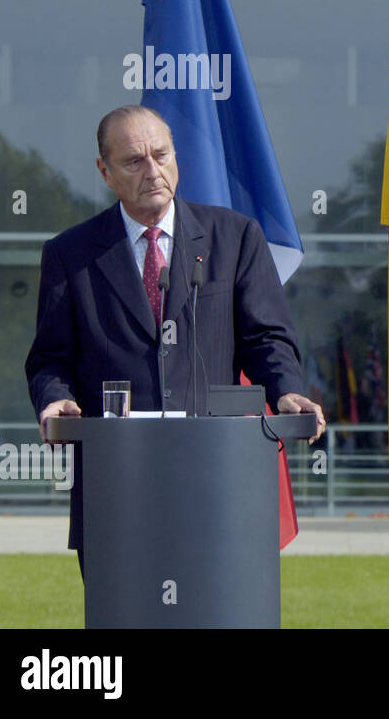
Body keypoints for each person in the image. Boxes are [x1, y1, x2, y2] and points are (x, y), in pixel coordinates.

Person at [24, 104, 325, 564]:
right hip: (116, 487)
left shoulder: (235, 237)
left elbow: (267, 338)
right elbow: (50, 358)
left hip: (216, 479)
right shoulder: (71, 254)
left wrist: (287, 391)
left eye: (162, 156)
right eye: (133, 161)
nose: (153, 171)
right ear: (104, 172)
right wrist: (55, 397)